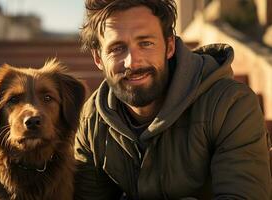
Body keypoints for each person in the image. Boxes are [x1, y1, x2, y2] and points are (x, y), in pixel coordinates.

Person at [74, 0, 272, 199]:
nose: (132, 62)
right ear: (98, 58)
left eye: (146, 43)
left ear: (169, 47)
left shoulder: (231, 105)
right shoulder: (92, 120)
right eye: (117, 48)